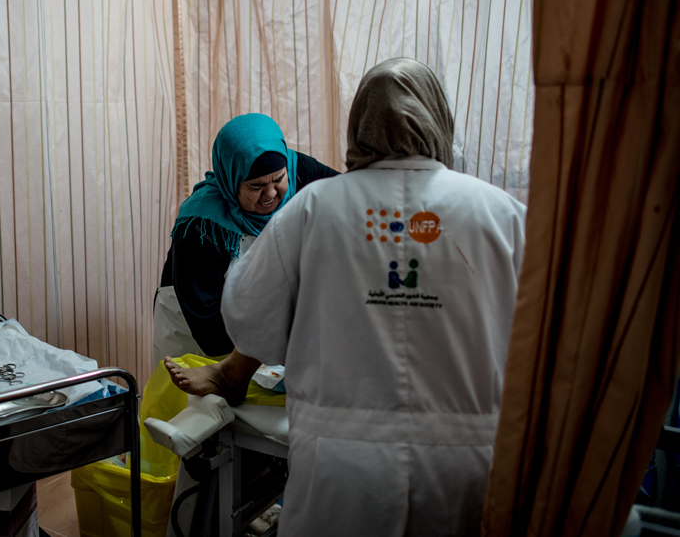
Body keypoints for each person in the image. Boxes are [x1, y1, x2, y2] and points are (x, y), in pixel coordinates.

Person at [165, 58, 527, 536]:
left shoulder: (313, 208)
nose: (272, 191)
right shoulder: (500, 214)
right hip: (466, 466)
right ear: (440, 118)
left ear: (359, 126)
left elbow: (247, 318)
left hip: (340, 470)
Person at [152, 113, 338, 373]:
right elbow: (209, 330)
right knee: (196, 409)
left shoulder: (298, 172)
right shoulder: (201, 226)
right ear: (231, 180)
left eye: (278, 180)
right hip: (195, 337)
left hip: (261, 335)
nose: (271, 194)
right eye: (256, 186)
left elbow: (352, 198)